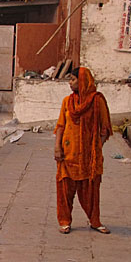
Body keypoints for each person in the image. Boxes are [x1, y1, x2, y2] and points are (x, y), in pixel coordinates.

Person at [54, 67, 112, 234]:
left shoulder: (97, 101)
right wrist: (57, 147)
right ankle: (65, 221)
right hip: (68, 153)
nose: (70, 83)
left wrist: (96, 147)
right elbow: (60, 126)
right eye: (69, 80)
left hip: (89, 157)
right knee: (65, 189)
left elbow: (105, 128)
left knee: (91, 190)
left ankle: (95, 221)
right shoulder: (67, 101)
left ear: (83, 81)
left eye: (73, 79)